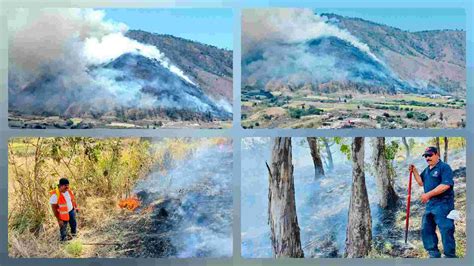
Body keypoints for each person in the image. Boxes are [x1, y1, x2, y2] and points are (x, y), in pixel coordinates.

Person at [409, 146, 456, 258]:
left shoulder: (444, 167)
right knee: (426, 228)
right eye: (426, 156)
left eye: (430, 155)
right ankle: (433, 254)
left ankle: (450, 256)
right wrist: (414, 170)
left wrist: (428, 194)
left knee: (446, 230)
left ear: (437, 155)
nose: (427, 158)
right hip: (431, 204)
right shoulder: (427, 170)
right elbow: (421, 182)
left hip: (444, 204)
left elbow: (445, 185)